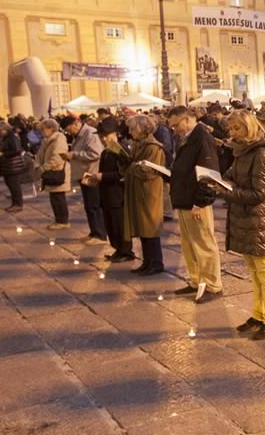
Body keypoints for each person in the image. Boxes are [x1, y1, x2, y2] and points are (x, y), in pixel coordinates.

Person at [220, 109, 265, 339]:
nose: (232, 133)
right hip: (243, 216)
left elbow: (258, 193)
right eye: (231, 129)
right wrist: (220, 181)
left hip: (258, 218)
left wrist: (227, 192)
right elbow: (230, 174)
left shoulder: (262, 154)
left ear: (249, 127)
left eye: (237, 128)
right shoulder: (241, 150)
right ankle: (258, 313)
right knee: (253, 270)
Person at [166, 106, 223, 302]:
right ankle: (197, 280)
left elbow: (209, 173)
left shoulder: (201, 138)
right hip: (184, 199)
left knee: (204, 244)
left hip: (196, 201)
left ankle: (212, 286)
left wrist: (201, 201)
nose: (174, 130)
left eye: (175, 125)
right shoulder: (189, 137)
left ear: (186, 119)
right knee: (189, 243)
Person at [123, 114, 166, 275]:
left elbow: (149, 171)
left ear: (142, 129)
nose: (130, 132)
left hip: (149, 193)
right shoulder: (139, 144)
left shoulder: (153, 147)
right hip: (139, 191)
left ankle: (156, 262)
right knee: (143, 229)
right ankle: (147, 261)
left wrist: (132, 166)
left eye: (132, 129)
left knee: (150, 228)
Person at [93, 119, 135, 263]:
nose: (104, 139)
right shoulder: (107, 150)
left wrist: (103, 176)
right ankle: (118, 249)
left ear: (115, 134)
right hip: (106, 193)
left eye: (107, 135)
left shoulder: (120, 148)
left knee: (119, 224)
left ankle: (126, 251)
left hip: (117, 193)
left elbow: (123, 172)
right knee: (110, 223)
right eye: (101, 136)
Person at [66, 117, 107, 244]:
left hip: (91, 173)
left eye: (68, 129)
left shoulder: (90, 133)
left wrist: (75, 154)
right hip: (84, 173)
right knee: (89, 205)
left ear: (75, 124)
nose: (69, 132)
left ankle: (100, 234)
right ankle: (94, 232)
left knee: (94, 204)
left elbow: (96, 153)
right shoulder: (80, 135)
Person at [35, 119, 71, 229]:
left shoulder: (58, 139)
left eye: (43, 129)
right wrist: (37, 164)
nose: (42, 132)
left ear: (51, 128)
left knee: (59, 198)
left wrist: (44, 168)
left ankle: (62, 221)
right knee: (54, 197)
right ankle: (58, 220)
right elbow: (40, 154)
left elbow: (57, 158)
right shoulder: (47, 140)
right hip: (50, 171)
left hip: (57, 172)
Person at [0, 123, 26, 212]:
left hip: (13, 165)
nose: (0, 132)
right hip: (7, 165)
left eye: (1, 130)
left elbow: (16, 150)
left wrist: (3, 154)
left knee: (14, 185)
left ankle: (18, 204)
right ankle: (14, 203)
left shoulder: (13, 137)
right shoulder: (5, 138)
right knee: (10, 184)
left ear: (6, 129)